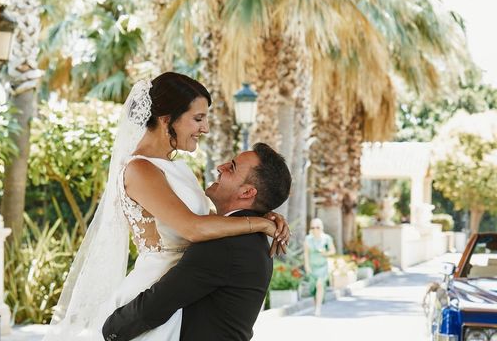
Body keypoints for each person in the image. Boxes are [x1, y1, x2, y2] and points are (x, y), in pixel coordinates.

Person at [44, 73, 290, 341]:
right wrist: (261, 223)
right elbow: (193, 228)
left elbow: (210, 224)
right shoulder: (139, 169)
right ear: (166, 120)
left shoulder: (179, 169)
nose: (205, 128)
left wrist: (265, 213)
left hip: (180, 295)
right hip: (153, 295)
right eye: (198, 118)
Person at [102, 142, 292, 341]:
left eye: (232, 167)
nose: (221, 167)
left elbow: (158, 304)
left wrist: (109, 330)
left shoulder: (225, 244)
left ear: (246, 193)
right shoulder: (249, 237)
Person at [304, 217, 336, 316]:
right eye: (313, 227)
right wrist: (307, 266)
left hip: (322, 267)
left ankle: (318, 308)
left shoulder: (327, 238)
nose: (315, 229)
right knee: (313, 289)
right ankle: (317, 303)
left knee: (320, 285)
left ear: (321, 228)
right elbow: (306, 254)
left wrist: (325, 253)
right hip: (312, 267)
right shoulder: (308, 239)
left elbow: (333, 251)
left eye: (317, 227)